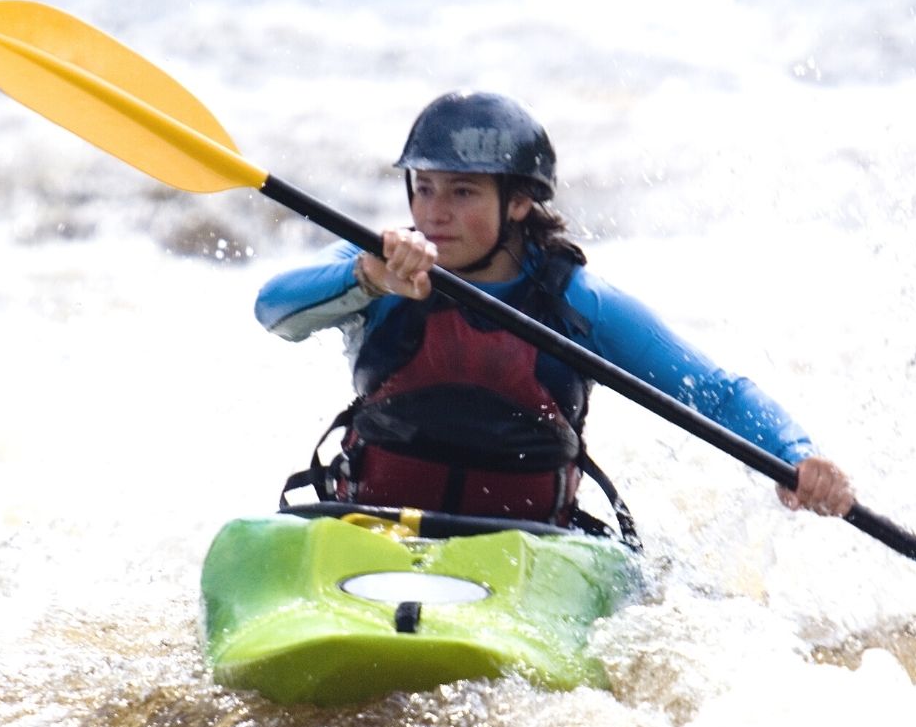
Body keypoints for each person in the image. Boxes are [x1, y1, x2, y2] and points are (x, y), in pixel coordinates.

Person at [255, 91, 854, 539]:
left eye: (462, 192)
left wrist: (795, 456)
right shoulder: (377, 265)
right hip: (374, 522)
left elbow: (713, 394)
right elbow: (274, 311)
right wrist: (364, 279)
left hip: (529, 545)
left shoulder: (575, 301)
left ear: (518, 202)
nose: (434, 213)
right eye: (425, 187)